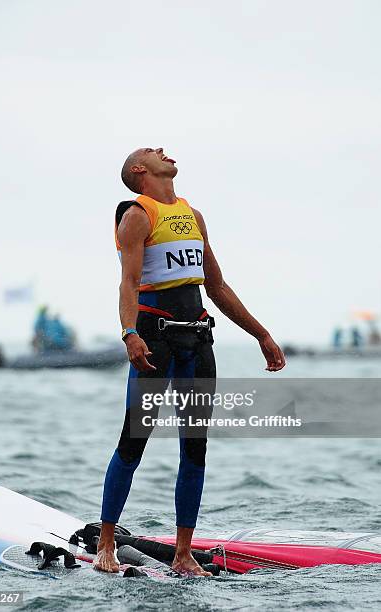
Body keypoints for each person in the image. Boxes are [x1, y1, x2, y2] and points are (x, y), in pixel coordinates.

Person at [94, 147, 286, 576]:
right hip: (155, 342)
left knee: (195, 448)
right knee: (134, 440)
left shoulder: (193, 216)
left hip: (197, 342)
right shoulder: (137, 215)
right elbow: (127, 282)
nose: (162, 150)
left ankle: (183, 554)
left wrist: (262, 334)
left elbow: (215, 285)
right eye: (150, 151)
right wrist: (129, 334)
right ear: (140, 171)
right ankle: (105, 543)